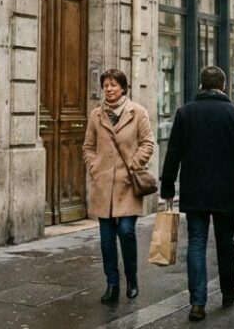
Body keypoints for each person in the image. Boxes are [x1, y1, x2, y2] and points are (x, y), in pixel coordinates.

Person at [160, 66, 234, 322]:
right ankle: (228, 291)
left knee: (196, 243)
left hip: (194, 189)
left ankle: (197, 303)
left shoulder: (185, 112)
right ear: (223, 86)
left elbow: (173, 153)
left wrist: (168, 187)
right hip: (226, 190)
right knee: (225, 243)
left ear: (201, 86)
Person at [82, 68, 155, 304]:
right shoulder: (96, 115)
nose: (109, 89)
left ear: (123, 88)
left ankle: (131, 277)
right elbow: (88, 147)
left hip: (128, 183)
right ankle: (111, 284)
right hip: (103, 184)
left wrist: (135, 163)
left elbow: (147, 143)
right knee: (105, 239)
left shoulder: (138, 113)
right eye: (106, 86)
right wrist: (95, 166)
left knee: (126, 231)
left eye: (114, 85)